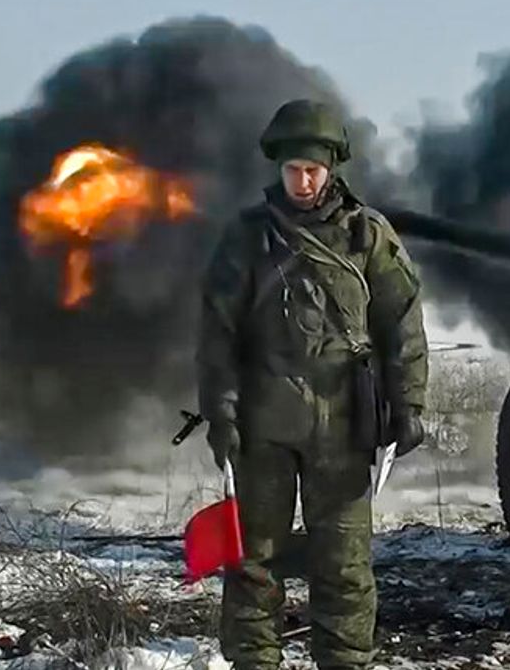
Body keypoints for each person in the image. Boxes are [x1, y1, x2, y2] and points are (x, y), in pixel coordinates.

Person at [197, 99, 429, 670]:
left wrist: (409, 405)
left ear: (331, 170)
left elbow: (402, 323)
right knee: (253, 565)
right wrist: (221, 413)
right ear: (279, 168)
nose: (302, 182)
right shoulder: (248, 238)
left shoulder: (366, 235)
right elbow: (218, 334)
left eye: (313, 170)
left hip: (346, 428)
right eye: (293, 170)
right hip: (263, 427)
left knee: (344, 567)